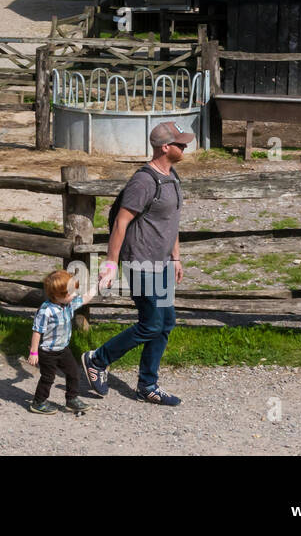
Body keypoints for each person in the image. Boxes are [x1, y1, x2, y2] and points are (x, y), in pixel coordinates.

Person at [82, 121, 191, 406]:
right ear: (165, 147)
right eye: (180, 143)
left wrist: (176, 257)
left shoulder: (172, 175)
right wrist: (110, 264)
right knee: (151, 324)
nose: (185, 146)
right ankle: (97, 359)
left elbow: (171, 221)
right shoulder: (143, 181)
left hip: (163, 263)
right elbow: (121, 222)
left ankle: (148, 385)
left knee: (165, 323)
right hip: (141, 262)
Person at [26, 269, 96, 415]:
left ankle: (72, 399)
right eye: (71, 293)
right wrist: (33, 352)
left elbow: (86, 297)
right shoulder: (46, 311)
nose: (75, 295)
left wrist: (99, 284)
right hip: (47, 352)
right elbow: (37, 331)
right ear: (57, 295)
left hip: (63, 349)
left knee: (74, 373)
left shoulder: (68, 304)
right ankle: (38, 402)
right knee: (48, 377)